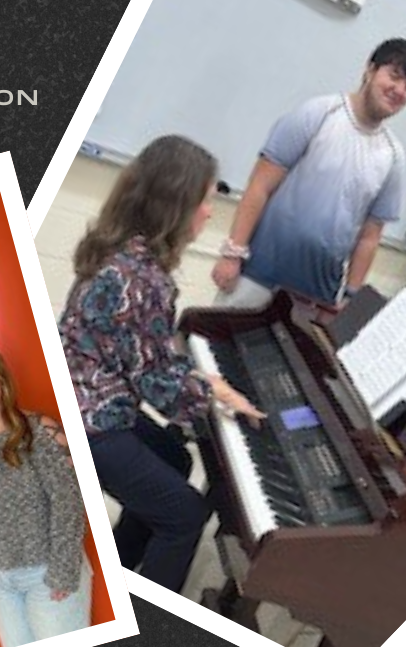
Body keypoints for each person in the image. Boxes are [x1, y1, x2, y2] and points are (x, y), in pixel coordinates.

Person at [59, 134, 263, 593]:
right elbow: (161, 389)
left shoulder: (117, 248)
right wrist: (216, 390)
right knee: (188, 515)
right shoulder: (143, 278)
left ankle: (121, 565)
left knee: (174, 455)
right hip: (89, 422)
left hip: (79, 395)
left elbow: (142, 360)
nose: (211, 212)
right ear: (176, 204)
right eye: (206, 200)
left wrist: (202, 383)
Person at [211, 38, 406, 309]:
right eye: (394, 77)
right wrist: (232, 254)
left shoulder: (393, 156)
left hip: (315, 297)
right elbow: (260, 185)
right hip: (255, 275)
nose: (399, 90)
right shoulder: (319, 113)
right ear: (370, 69)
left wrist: (349, 297)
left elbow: (370, 237)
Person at [0, 345, 91, 647]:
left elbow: (68, 501)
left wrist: (63, 569)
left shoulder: (38, 431)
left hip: (46, 573)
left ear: (2, 382)